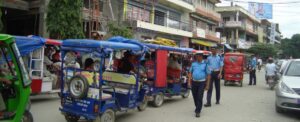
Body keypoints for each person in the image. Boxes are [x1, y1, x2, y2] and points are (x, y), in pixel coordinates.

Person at [188, 52, 211, 118]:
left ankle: (198, 111)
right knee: (195, 96)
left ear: (201, 57)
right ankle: (197, 106)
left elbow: (209, 74)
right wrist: (189, 82)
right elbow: (190, 73)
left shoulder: (205, 64)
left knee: (200, 96)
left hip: (202, 82)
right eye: (196, 56)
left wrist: (207, 85)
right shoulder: (193, 64)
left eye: (198, 56)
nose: (197, 57)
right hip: (194, 82)